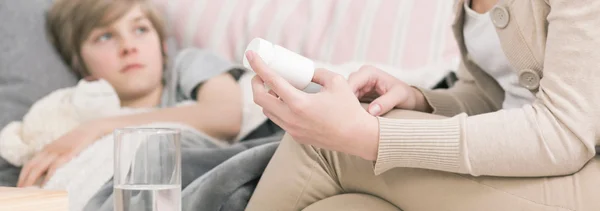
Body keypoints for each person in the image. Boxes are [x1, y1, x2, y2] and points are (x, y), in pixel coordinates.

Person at [245, 0, 600, 210]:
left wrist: (370, 137)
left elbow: (564, 131)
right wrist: (419, 100)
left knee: (323, 148)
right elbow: (492, 96)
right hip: (537, 161)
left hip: (585, 175)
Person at [16, 0, 245, 187]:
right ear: (79, 64)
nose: (128, 46)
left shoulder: (188, 65)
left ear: (163, 46)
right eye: (105, 36)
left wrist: (102, 127)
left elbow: (226, 116)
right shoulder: (71, 113)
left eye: (140, 29)